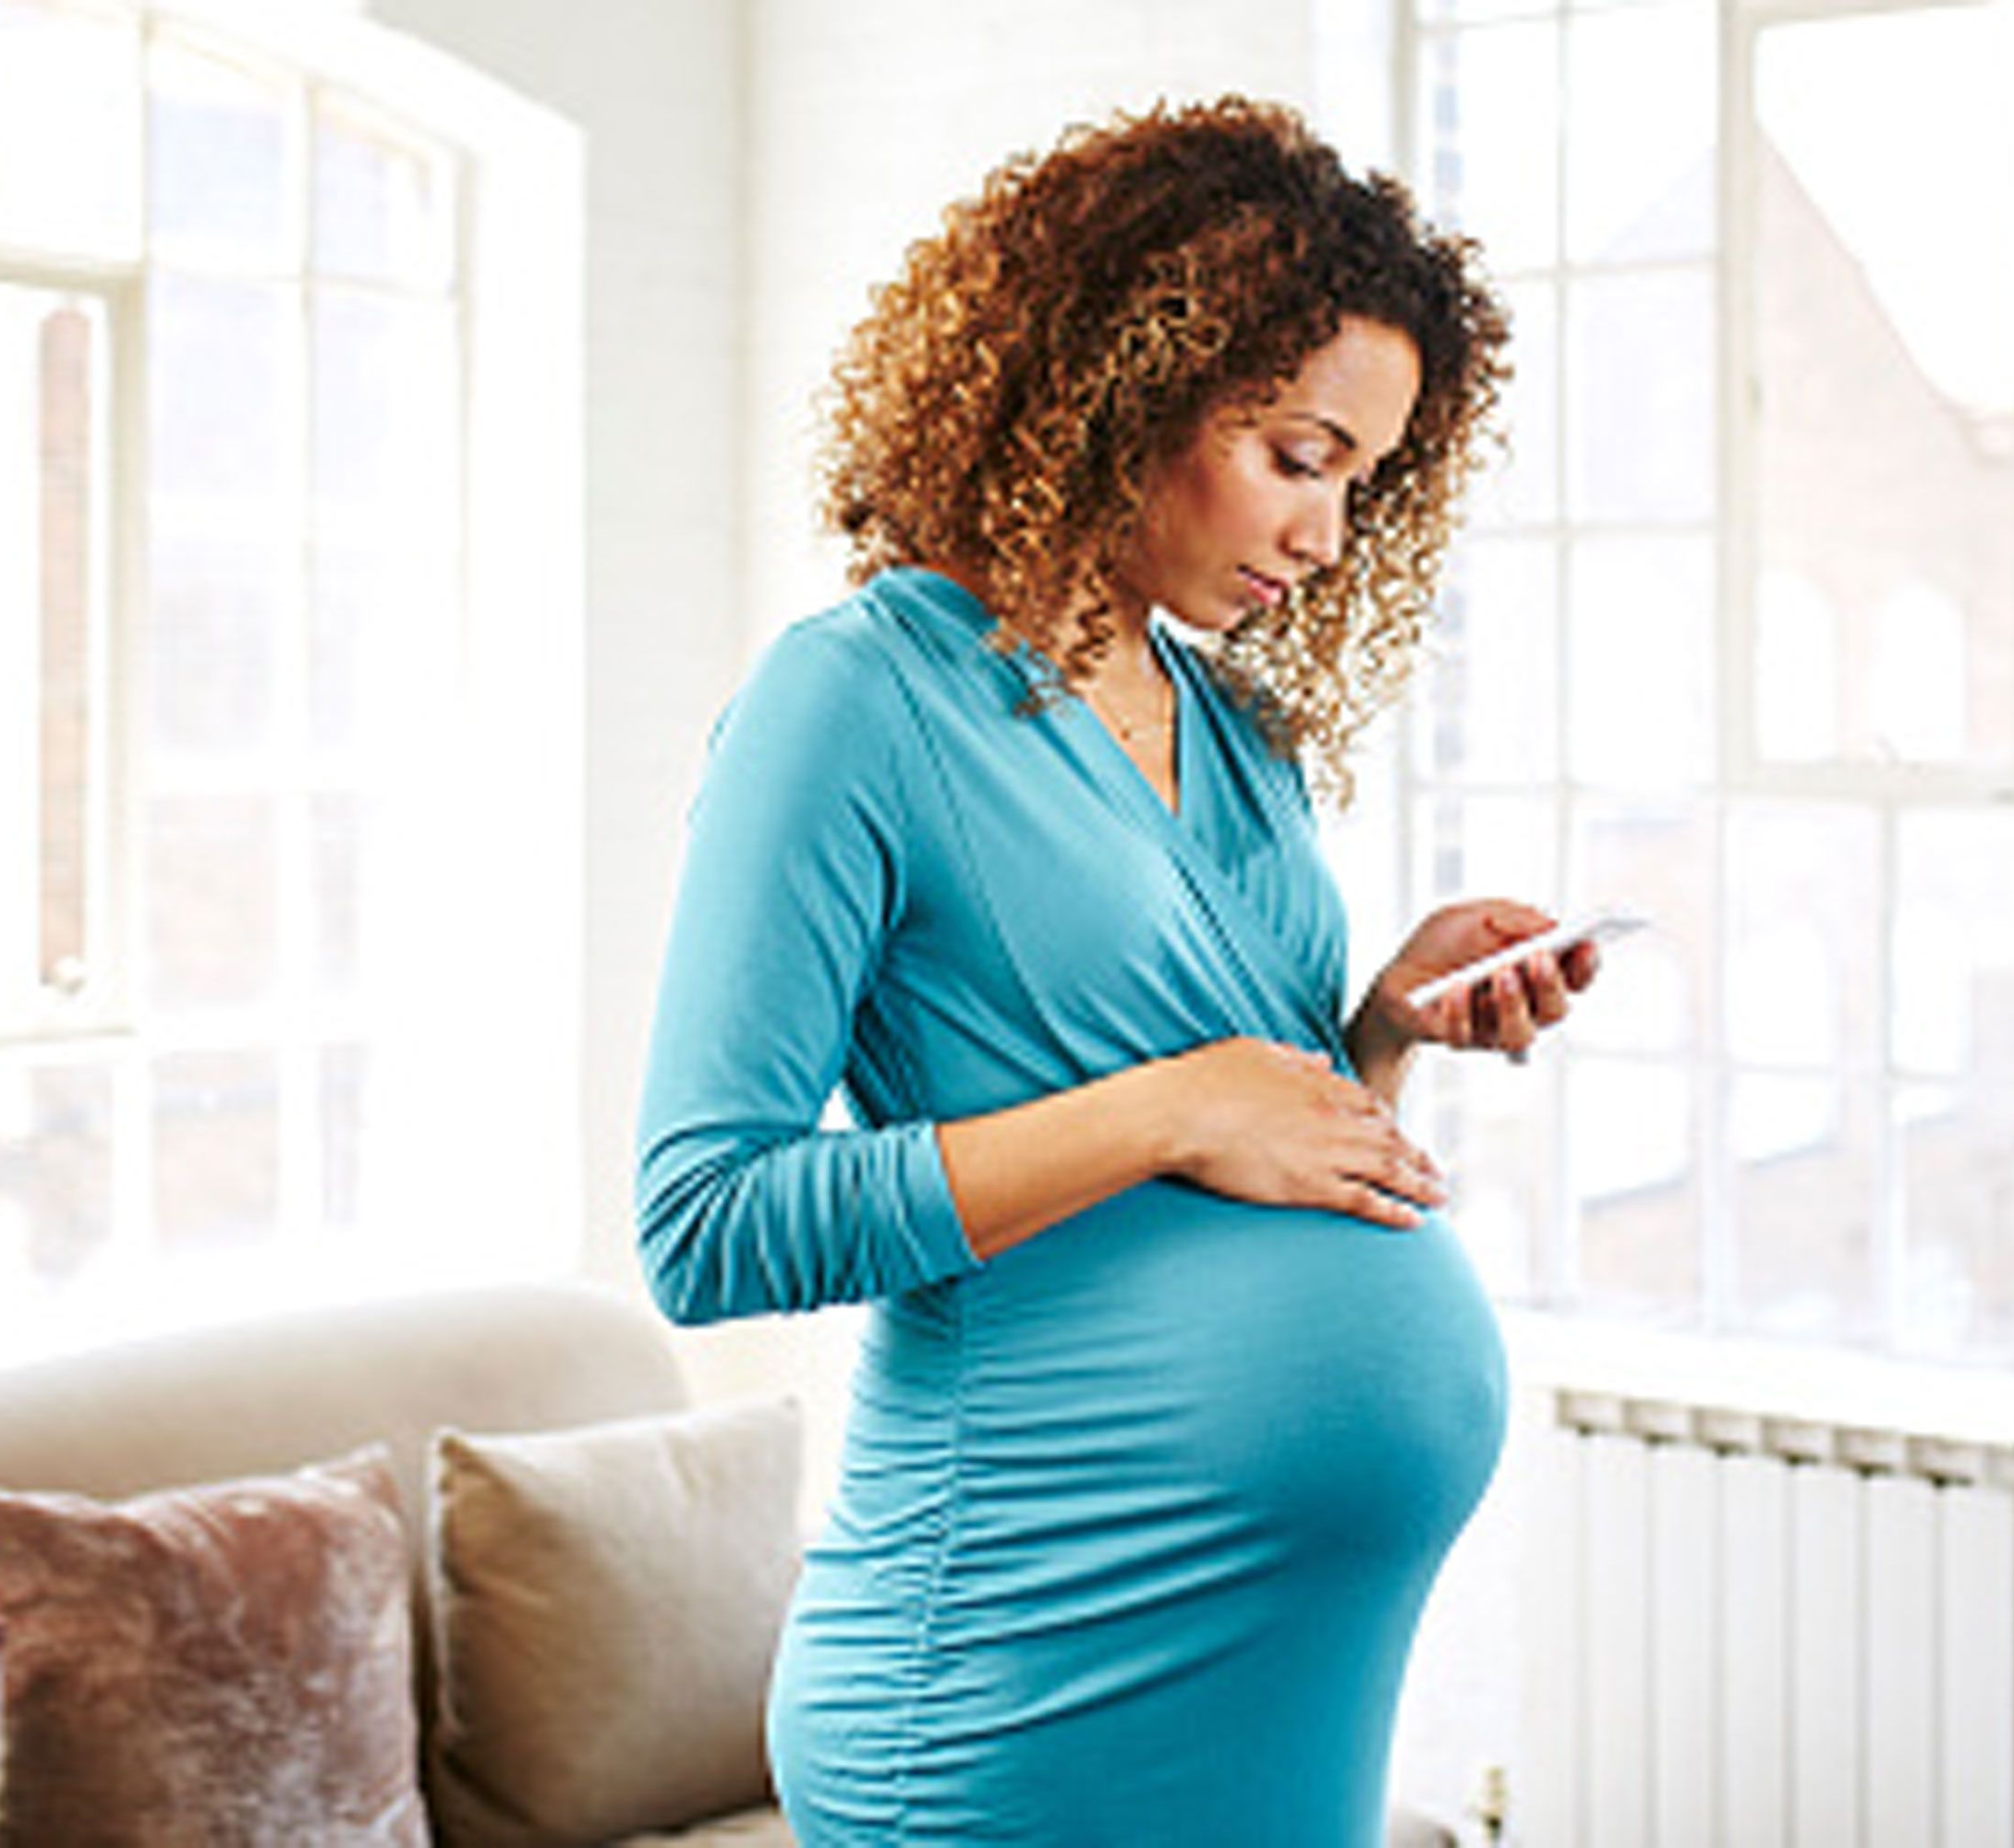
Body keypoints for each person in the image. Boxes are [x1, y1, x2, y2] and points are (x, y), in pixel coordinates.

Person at [636, 97, 1601, 1846]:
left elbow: (1250, 1152)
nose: (1325, 540)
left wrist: (1379, 1033)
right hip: (1014, 1682)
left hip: (1282, 1696)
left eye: (1360, 484)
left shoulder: (1230, 729)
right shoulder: (850, 701)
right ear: (1121, 378)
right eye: (1298, 458)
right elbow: (706, 1223)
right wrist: (1169, 1109)